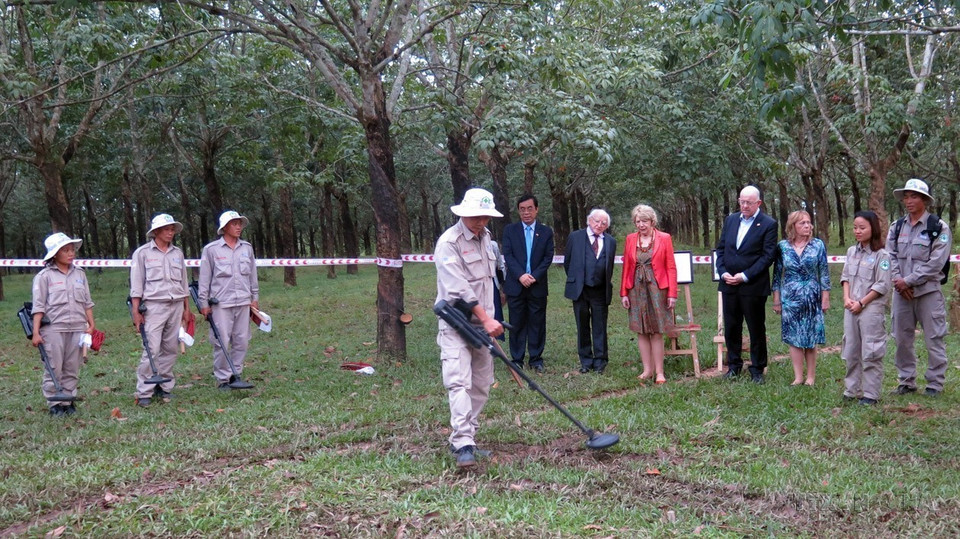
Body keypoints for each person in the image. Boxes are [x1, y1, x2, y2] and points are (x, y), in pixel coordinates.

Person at [435, 188, 504, 468]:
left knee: (482, 383)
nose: (481, 222)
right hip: (456, 323)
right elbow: (459, 287)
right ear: (463, 213)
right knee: (459, 381)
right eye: (476, 216)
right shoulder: (448, 243)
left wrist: (490, 318)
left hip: (482, 326)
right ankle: (462, 442)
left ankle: (468, 437)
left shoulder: (487, 239)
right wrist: (486, 318)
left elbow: (490, 282)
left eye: (485, 217)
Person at [886, 179, 950, 397]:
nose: (909, 201)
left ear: (924, 200)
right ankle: (906, 381)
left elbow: (936, 262)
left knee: (934, 338)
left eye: (914, 196)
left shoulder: (938, 227)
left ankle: (935, 384)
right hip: (901, 293)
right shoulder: (896, 227)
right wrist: (898, 281)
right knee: (902, 338)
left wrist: (909, 280)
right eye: (906, 196)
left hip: (928, 293)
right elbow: (890, 256)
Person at [715, 185, 778, 384]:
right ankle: (734, 365)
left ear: (758, 203)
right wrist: (723, 272)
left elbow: (768, 256)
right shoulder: (731, 220)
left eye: (748, 202)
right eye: (741, 201)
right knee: (732, 326)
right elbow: (721, 249)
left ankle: (757, 368)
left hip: (752, 286)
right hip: (729, 284)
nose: (744, 205)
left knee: (755, 327)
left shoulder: (768, 224)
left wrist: (744, 276)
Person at [130, 214, 192, 407]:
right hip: (153, 306)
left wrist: (186, 309)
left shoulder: (177, 253)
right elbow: (137, 284)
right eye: (166, 229)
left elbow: (183, 282)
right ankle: (144, 391)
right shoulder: (142, 254)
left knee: (170, 348)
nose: (170, 232)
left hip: (175, 305)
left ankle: (164, 386)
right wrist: (135, 311)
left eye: (172, 229)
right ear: (155, 232)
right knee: (151, 348)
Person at [31, 233, 96, 416]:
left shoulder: (80, 274)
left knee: (71, 366)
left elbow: (87, 302)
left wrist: (91, 323)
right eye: (65, 250)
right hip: (53, 328)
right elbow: (39, 306)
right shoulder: (44, 277)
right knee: (54, 366)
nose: (70, 254)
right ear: (55, 254)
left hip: (77, 327)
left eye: (72, 250)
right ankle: (55, 403)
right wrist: (36, 332)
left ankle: (68, 400)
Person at [197, 210, 260, 390]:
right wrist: (203, 303)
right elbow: (204, 279)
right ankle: (223, 378)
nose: (238, 227)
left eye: (240, 223)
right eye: (234, 224)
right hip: (221, 303)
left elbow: (252, 276)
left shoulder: (246, 248)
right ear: (224, 227)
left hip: (243, 302)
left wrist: (254, 297)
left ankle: (236, 374)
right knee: (221, 341)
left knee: (242, 340)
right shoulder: (211, 250)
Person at [772, 211, 831, 386]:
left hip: (812, 296)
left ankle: (811, 377)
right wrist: (776, 299)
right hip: (790, 298)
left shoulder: (817, 245)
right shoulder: (783, 247)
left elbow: (824, 273)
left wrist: (825, 297)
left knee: (811, 336)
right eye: (802, 223)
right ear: (793, 227)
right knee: (794, 337)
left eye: (809, 222)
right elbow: (777, 275)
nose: (807, 226)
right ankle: (798, 376)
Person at [619, 204, 677, 384]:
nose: (641, 225)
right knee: (641, 330)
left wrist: (672, 294)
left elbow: (671, 267)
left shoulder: (664, 238)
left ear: (652, 221)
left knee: (657, 330)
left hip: (657, 288)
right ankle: (647, 370)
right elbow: (627, 267)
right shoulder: (630, 239)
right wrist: (624, 293)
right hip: (636, 288)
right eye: (638, 221)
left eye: (644, 221)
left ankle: (660, 372)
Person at [841, 211, 891, 405]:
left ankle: (871, 394)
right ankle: (852, 389)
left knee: (871, 350)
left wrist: (862, 303)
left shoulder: (882, 255)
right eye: (855, 227)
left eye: (862, 227)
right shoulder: (851, 252)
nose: (858, 231)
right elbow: (845, 277)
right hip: (851, 307)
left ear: (873, 228)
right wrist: (847, 299)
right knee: (851, 349)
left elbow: (882, 285)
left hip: (870, 308)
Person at [501, 193, 555, 372]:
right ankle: (517, 359)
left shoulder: (546, 232)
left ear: (537, 209)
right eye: (522, 209)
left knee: (537, 323)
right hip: (516, 285)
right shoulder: (510, 230)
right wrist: (521, 276)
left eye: (530, 209)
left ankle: (536, 358)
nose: (526, 213)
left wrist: (534, 276)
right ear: (518, 211)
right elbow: (508, 255)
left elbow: (548, 257)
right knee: (516, 322)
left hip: (537, 285)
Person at [564, 209, 617, 374]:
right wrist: (578, 279)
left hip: (600, 290)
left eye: (603, 223)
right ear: (589, 220)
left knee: (600, 326)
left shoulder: (611, 241)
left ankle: (600, 362)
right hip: (580, 289)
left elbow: (609, 267)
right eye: (596, 221)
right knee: (582, 325)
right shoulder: (575, 237)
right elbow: (568, 262)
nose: (599, 225)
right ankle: (586, 361)